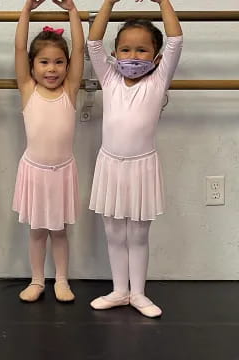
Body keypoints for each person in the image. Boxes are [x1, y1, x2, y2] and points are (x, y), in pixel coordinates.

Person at [87, 0, 183, 318]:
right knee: (114, 231)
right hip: (110, 166)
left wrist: (162, 1)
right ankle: (119, 290)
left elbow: (176, 40)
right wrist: (110, 2)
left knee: (139, 234)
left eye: (141, 50)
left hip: (143, 166)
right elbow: (94, 42)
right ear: (116, 55)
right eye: (125, 50)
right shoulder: (110, 79)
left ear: (156, 58)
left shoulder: (157, 82)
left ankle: (139, 293)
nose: (132, 56)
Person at [13, 0, 84, 303]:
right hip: (35, 171)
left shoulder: (69, 90)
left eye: (58, 62)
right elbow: (18, 49)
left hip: (63, 171)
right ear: (32, 66)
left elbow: (80, 50)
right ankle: (37, 280)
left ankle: (62, 280)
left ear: (67, 66)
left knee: (60, 231)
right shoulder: (28, 89)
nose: (52, 69)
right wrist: (26, 10)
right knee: (37, 230)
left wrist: (72, 11)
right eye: (44, 62)